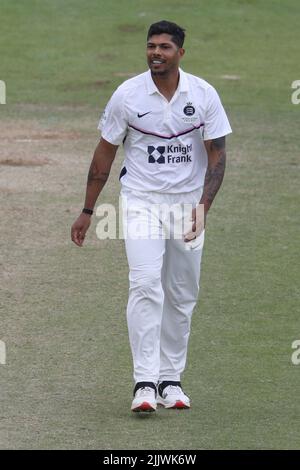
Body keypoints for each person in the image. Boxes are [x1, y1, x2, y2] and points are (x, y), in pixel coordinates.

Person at [71, 20, 232, 413]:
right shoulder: (127, 95)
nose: (156, 53)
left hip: (187, 204)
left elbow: (217, 156)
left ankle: (170, 380)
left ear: (180, 52)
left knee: (181, 293)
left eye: (164, 47)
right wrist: (88, 210)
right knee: (145, 284)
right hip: (141, 200)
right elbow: (104, 153)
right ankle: (144, 383)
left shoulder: (204, 94)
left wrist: (203, 208)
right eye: (150, 46)